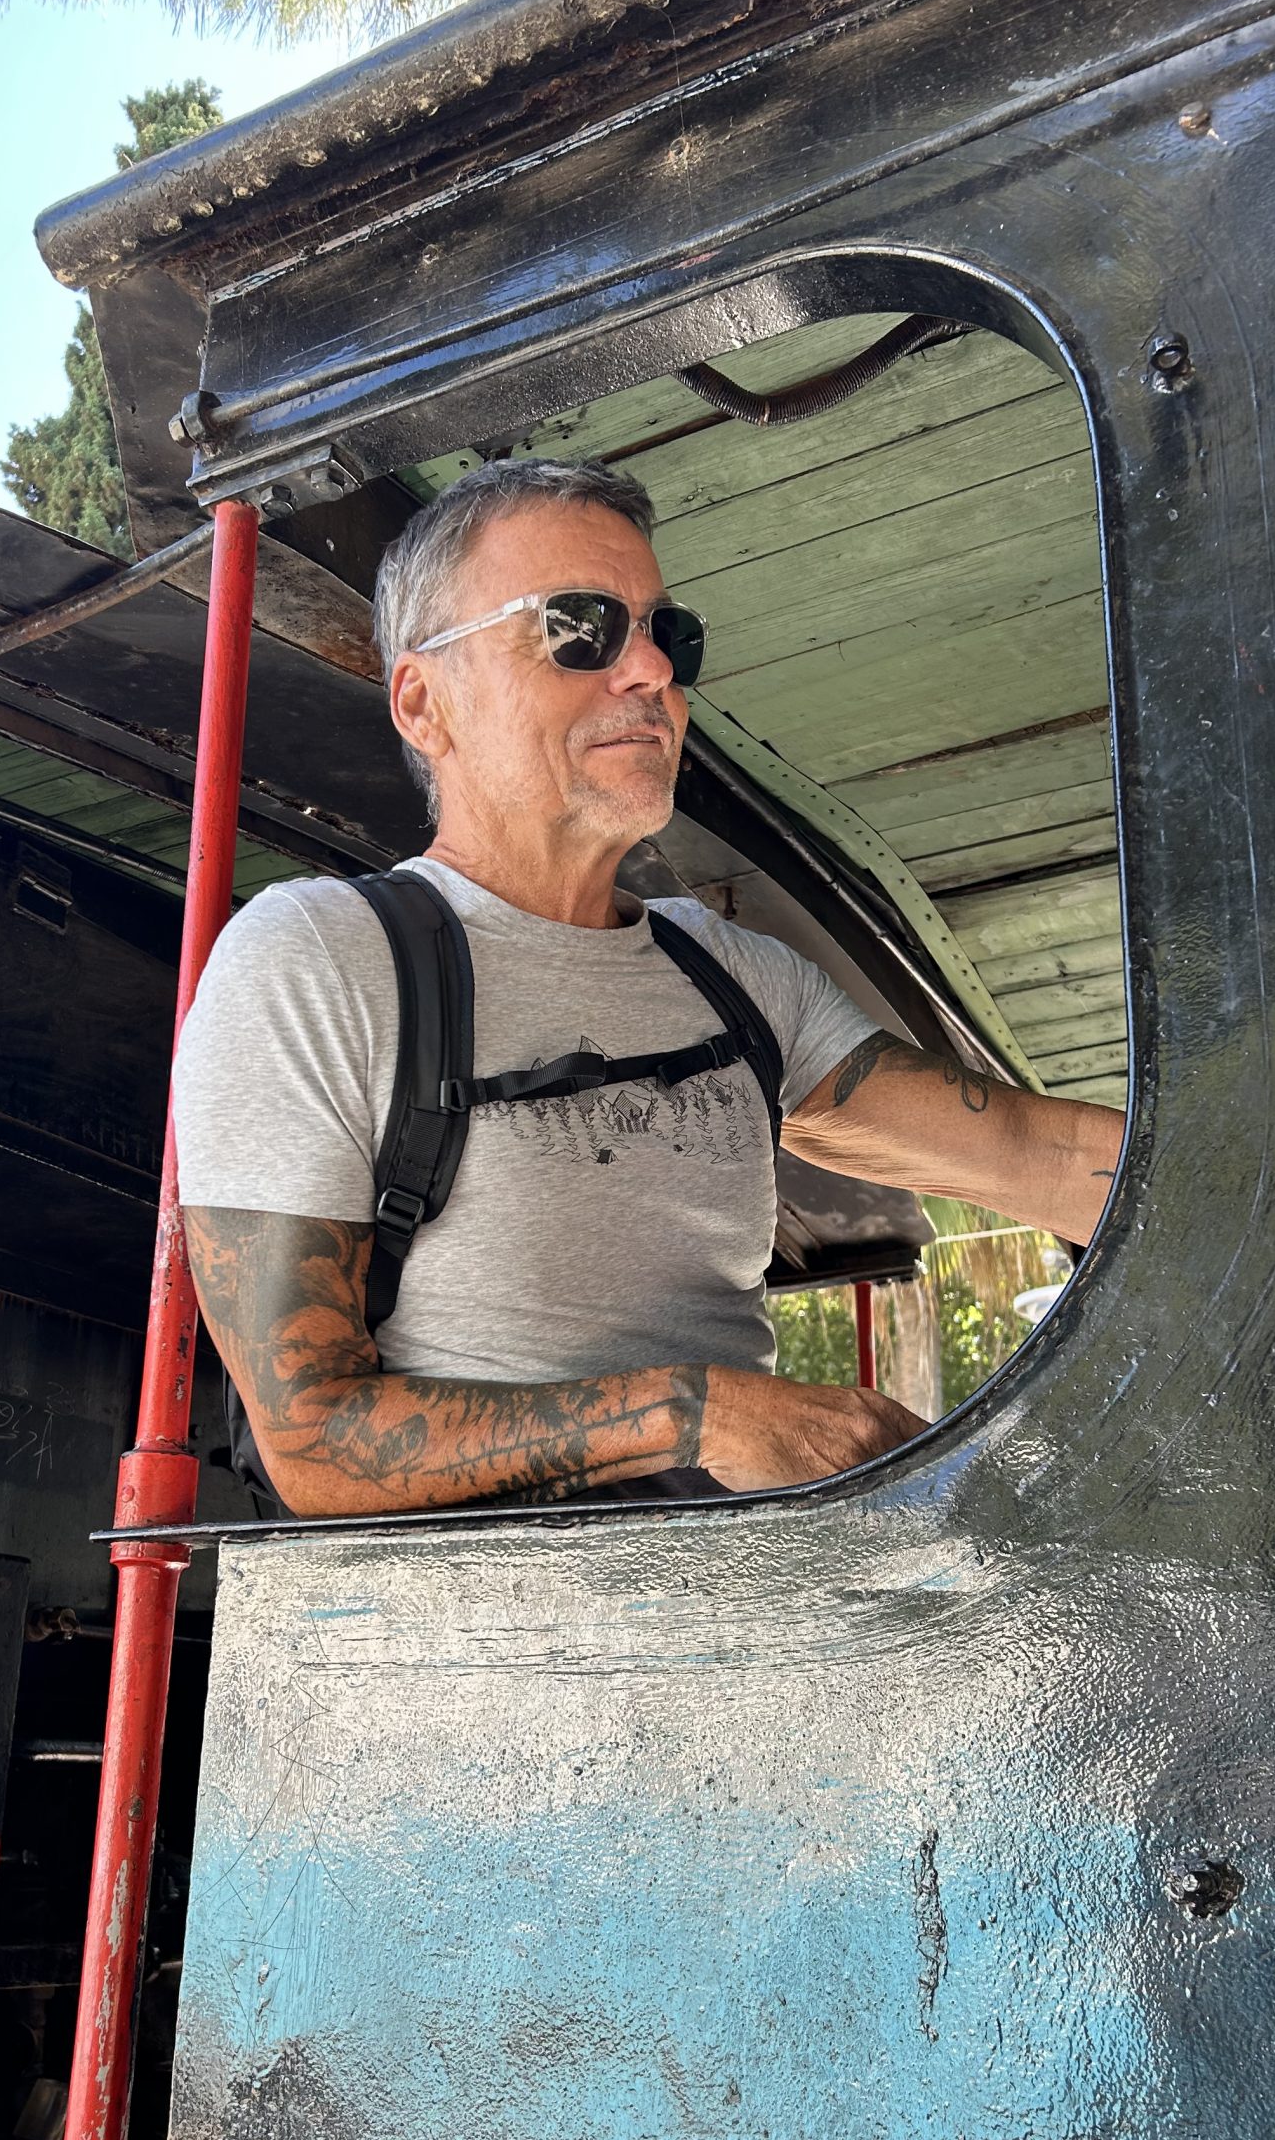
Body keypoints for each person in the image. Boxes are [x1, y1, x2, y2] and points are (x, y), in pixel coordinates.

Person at [174, 460, 1121, 1517]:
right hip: (483, 1615)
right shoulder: (320, 959)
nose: (652, 671)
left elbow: (1042, 1157)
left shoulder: (735, 978)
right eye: (577, 628)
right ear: (424, 701)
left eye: (668, 635)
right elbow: (310, 1439)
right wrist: (700, 1415)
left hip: (758, 1588)